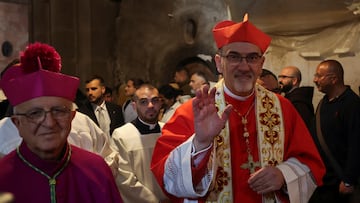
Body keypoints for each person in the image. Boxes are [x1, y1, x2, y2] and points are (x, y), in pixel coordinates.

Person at [151, 14, 325, 202]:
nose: (244, 67)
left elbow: (312, 164)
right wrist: (200, 144)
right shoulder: (191, 112)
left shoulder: (283, 108)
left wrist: (283, 175)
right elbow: (165, 176)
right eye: (234, 57)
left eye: (252, 58)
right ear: (219, 62)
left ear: (261, 64)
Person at [0, 42, 122, 202]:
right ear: (17, 123)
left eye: (58, 111)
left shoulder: (97, 170)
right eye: (35, 113)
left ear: (72, 116)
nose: (49, 123)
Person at [107, 84, 169, 203]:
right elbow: (124, 178)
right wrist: (153, 201)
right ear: (134, 106)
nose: (150, 106)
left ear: (161, 103)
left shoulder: (168, 131)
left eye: (155, 101)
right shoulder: (121, 135)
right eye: (144, 102)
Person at [309, 60, 360, 203]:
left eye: (319, 76)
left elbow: (356, 144)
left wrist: (349, 179)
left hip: (339, 182)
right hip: (322, 180)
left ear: (334, 79)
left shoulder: (352, 104)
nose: (315, 80)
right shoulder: (324, 102)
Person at [278, 66, 314, 130]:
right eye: (279, 77)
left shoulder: (299, 102)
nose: (280, 80)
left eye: (284, 77)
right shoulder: (289, 98)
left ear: (294, 80)